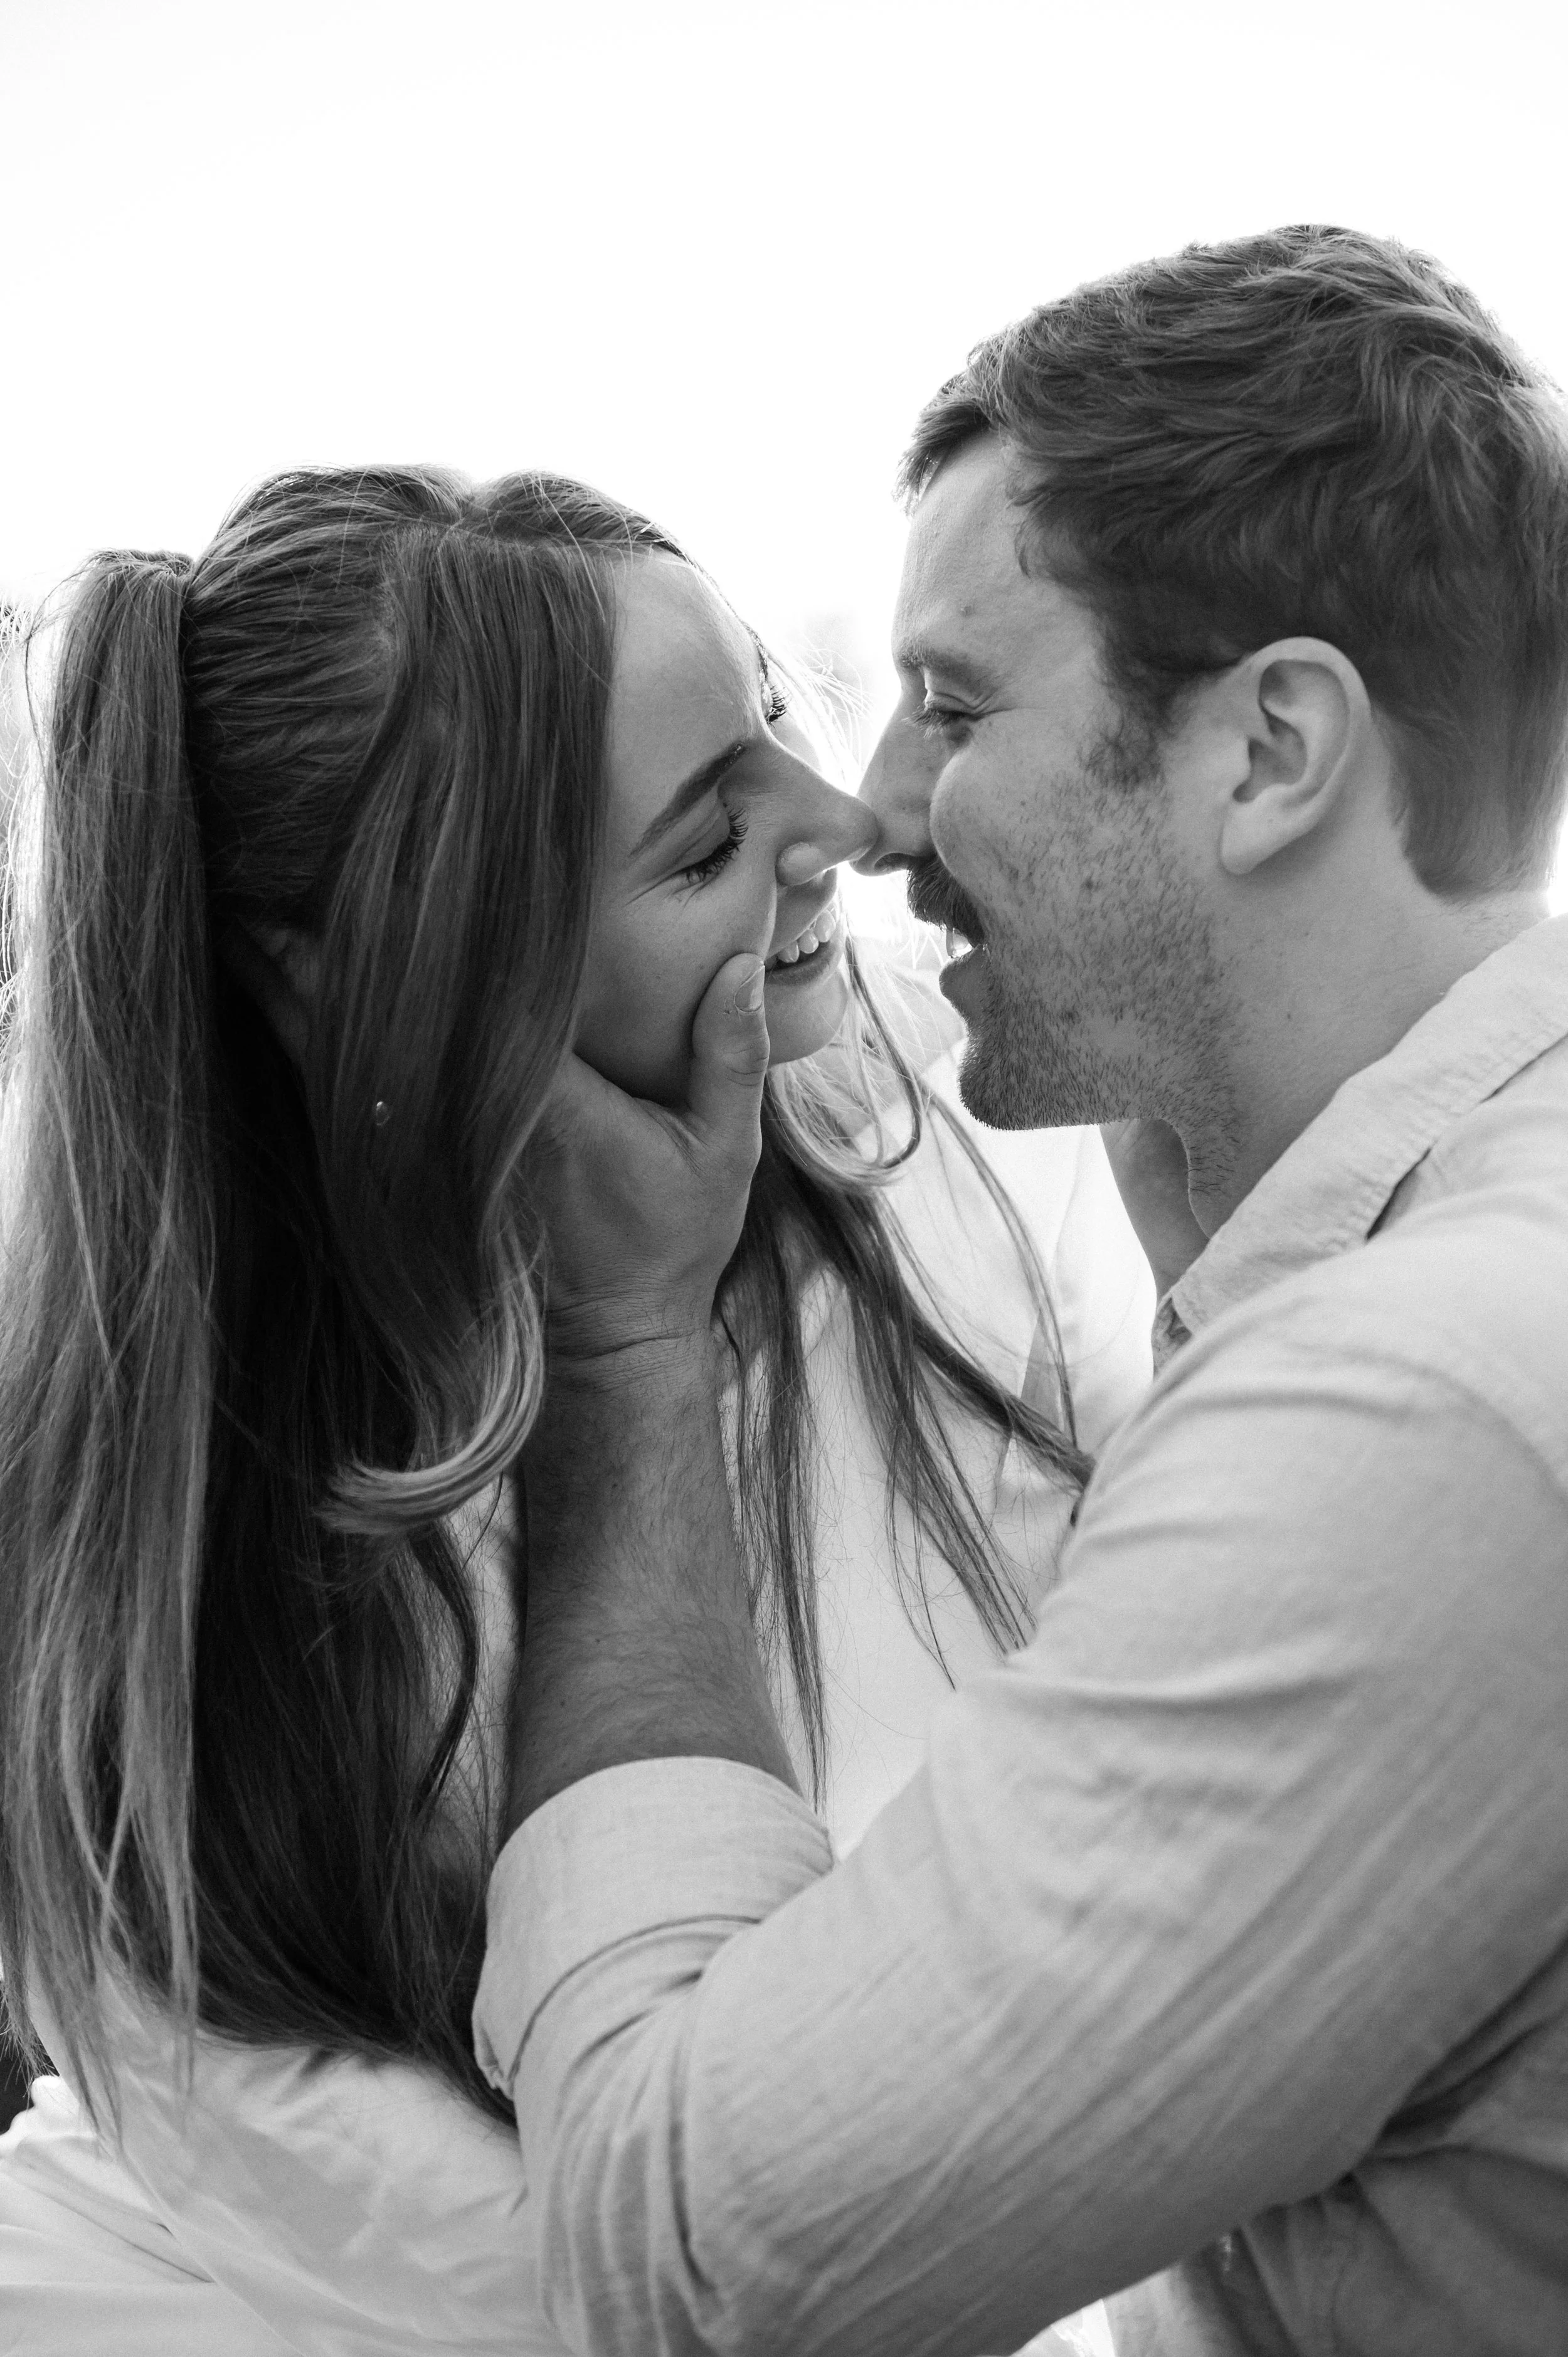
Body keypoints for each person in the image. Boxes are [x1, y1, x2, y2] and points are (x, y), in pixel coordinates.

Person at [474, 226, 1568, 2356]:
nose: (868, 818)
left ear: (1268, 753)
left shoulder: (1417, 1415)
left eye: (954, 705)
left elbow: (688, 2268)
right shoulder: (1403, 1251)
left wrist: (619, 1368)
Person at [0, 468, 1148, 2351]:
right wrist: (626, 1349)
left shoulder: (914, 1156)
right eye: (703, 846)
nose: (845, 824)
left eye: (770, 720)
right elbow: (612, 2278)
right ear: (404, 985)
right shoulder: (146, 1466)